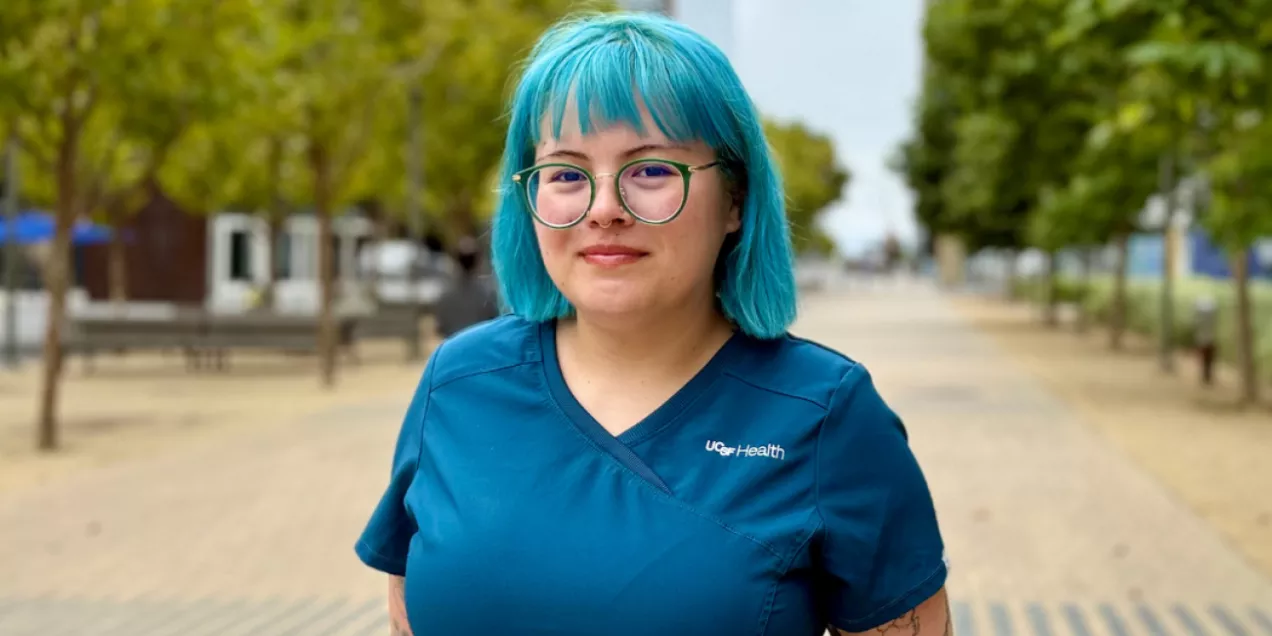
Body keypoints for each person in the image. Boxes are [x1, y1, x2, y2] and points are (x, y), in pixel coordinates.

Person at [355, 12, 950, 636]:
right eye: (564, 173)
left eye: (652, 170)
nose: (605, 208)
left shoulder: (828, 414)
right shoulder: (458, 382)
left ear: (736, 200)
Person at [432, 236, 499, 340]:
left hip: (452, 347)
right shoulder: (487, 294)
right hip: (479, 347)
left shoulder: (445, 295)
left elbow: (440, 327)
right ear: (477, 262)